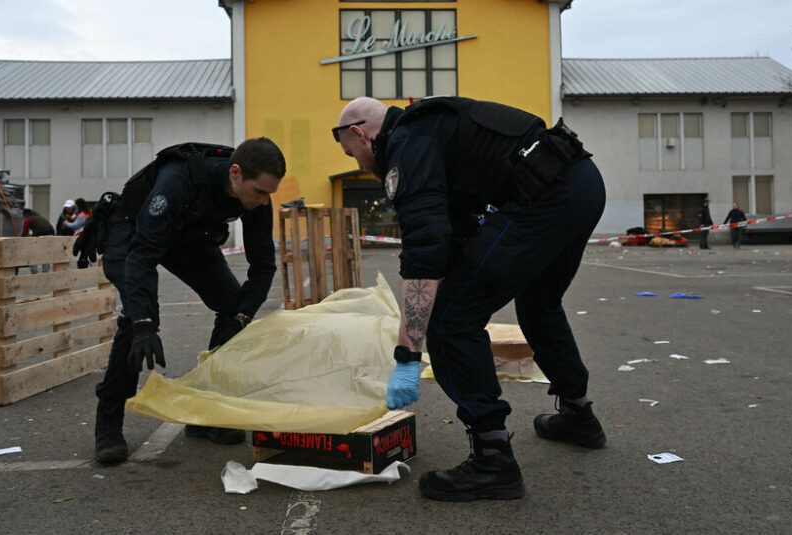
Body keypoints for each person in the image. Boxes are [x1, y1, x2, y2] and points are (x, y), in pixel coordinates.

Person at [334, 96, 606, 502]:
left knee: (450, 321)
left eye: (350, 152)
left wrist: (408, 356)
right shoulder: (430, 130)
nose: (357, 162)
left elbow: (425, 250)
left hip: (545, 198)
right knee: (538, 303)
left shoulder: (408, 143)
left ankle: (493, 459)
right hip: (581, 184)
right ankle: (579, 415)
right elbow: (456, 234)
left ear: (360, 132)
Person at [73, 138, 286, 465]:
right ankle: (109, 421)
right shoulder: (178, 179)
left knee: (232, 306)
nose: (263, 202)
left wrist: (240, 319)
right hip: (132, 231)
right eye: (258, 192)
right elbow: (142, 256)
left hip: (186, 237)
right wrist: (145, 324)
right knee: (136, 320)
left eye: (268, 194)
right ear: (235, 173)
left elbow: (263, 266)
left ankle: (206, 411)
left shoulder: (258, 196)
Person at [21, 208, 55, 274]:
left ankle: (34, 272)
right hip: (51, 234)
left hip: (41, 234)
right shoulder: (39, 217)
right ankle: (45, 273)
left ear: (25, 215)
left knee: (33, 253)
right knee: (46, 253)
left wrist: (20, 240)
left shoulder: (27, 219)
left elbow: (24, 232)